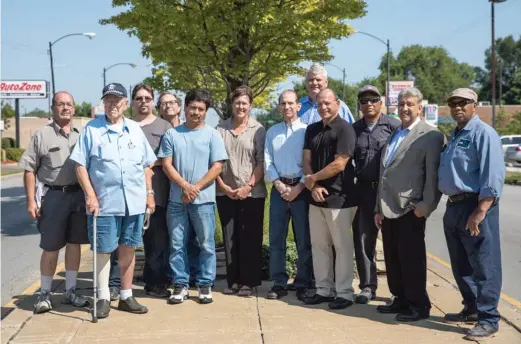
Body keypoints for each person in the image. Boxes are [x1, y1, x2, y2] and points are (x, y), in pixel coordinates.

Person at [71, 83, 156, 319]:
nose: (112, 105)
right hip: (105, 203)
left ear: (125, 104)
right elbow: (80, 165)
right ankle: (103, 297)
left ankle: (127, 295)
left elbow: (147, 165)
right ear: (103, 104)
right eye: (108, 101)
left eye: (117, 101)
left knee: (128, 248)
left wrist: (150, 194)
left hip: (134, 202)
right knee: (103, 251)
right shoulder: (92, 129)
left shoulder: (135, 130)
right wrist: (90, 194)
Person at [438, 88, 505, 341]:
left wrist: (481, 210)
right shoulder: (455, 134)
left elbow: (493, 175)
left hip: (475, 205)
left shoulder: (483, 133)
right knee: (461, 263)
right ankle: (472, 307)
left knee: (484, 264)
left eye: (463, 103)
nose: (457, 107)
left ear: (474, 105)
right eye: (453, 102)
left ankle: (489, 319)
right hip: (453, 205)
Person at [374, 87, 445, 322]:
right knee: (393, 258)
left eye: (410, 104)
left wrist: (425, 206)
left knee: (411, 259)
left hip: (410, 208)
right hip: (387, 207)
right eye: (401, 104)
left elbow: (432, 176)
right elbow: (384, 173)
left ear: (420, 108)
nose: (405, 108)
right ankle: (401, 299)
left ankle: (418, 305)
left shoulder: (430, 135)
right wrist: (378, 208)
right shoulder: (395, 133)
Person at [19, 91, 90, 314]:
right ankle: (45, 293)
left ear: (75, 108)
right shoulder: (42, 135)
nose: (65, 108)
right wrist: (31, 201)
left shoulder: (84, 134)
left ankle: (70, 290)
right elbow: (29, 170)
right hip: (53, 196)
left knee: (74, 244)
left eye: (69, 104)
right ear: (53, 108)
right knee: (50, 246)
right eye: (61, 104)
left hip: (78, 195)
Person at [158, 88, 228, 305]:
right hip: (176, 201)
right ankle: (180, 284)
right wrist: (184, 186)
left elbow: (217, 166)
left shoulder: (212, 134)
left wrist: (195, 187)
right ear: (185, 108)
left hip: (204, 201)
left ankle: (205, 284)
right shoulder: (172, 134)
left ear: (206, 111)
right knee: (177, 244)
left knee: (206, 244)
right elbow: (166, 164)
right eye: (192, 108)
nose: (196, 112)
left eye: (201, 109)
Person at [301, 88, 358, 310]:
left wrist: (312, 179)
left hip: (340, 198)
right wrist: (313, 185)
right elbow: (306, 158)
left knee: (342, 247)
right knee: (319, 245)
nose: (323, 107)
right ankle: (323, 290)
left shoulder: (345, 129)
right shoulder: (312, 129)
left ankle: (344, 292)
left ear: (337, 103)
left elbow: (339, 163)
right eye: (320, 104)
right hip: (316, 197)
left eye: (328, 103)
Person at [216, 86, 267, 297]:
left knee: (250, 237)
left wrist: (248, 187)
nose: (240, 106)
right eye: (237, 102)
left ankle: (249, 281)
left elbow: (262, 161)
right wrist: (222, 186)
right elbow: (215, 161)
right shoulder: (220, 129)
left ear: (250, 105)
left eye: (244, 103)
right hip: (225, 192)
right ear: (232, 104)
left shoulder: (258, 129)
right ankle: (234, 280)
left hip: (252, 194)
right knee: (230, 238)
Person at [352, 85, 400, 304]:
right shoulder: (354, 129)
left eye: (373, 99)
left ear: (381, 102)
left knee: (393, 242)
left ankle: (398, 290)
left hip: (388, 193)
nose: (369, 104)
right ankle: (367, 287)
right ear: (359, 105)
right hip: (363, 191)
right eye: (364, 101)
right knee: (363, 241)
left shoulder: (394, 126)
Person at [264, 90, 313, 301]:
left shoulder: (307, 131)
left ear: (298, 106)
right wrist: (278, 184)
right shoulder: (272, 132)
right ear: (279, 107)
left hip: (301, 191)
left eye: (291, 103)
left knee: (304, 239)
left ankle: (303, 282)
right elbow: (267, 161)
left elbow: (311, 164)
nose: (287, 107)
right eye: (283, 103)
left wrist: (298, 188)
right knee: (277, 239)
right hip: (279, 190)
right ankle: (279, 282)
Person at [131, 84, 172, 298]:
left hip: (157, 191)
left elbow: (167, 159)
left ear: (153, 101)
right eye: (139, 98)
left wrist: (144, 163)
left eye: (147, 98)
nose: (143, 102)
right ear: (133, 101)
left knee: (157, 240)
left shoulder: (164, 126)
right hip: (129, 191)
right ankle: (120, 283)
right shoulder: (126, 126)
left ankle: (157, 282)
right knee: (129, 239)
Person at [157, 91, 201, 287]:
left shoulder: (189, 127)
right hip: (164, 187)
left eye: (172, 102)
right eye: (164, 103)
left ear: (180, 105)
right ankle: (172, 275)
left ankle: (192, 274)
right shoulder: (158, 129)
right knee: (171, 237)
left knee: (191, 236)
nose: (168, 106)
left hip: (191, 190)